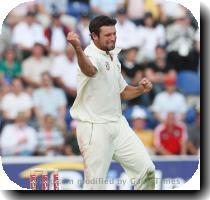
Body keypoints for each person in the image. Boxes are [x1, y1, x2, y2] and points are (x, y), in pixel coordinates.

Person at [67, 15, 155, 190]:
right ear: (94, 36)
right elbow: (90, 70)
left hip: (118, 124)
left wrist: (140, 89)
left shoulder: (112, 56)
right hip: (94, 127)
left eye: (114, 33)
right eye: (107, 35)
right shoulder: (90, 55)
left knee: (147, 171)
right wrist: (77, 48)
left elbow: (122, 92)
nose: (113, 38)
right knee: (96, 186)